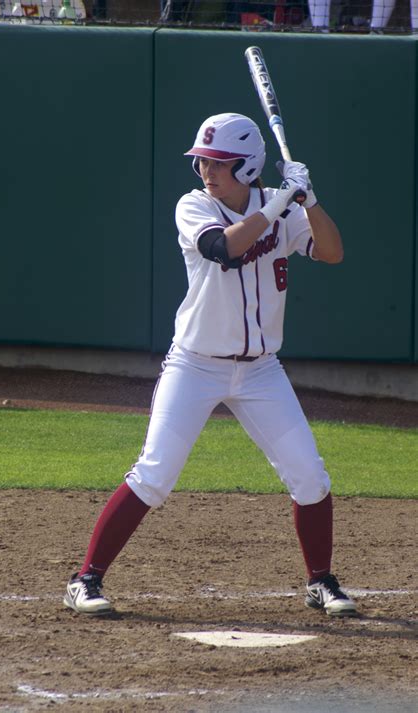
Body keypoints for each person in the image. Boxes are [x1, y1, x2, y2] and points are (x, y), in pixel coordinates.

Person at [63, 112, 358, 619]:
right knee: (154, 475)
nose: (206, 170)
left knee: (311, 476)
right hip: (196, 365)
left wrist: (309, 200)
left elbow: (332, 252)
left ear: (248, 167)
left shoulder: (281, 209)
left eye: (219, 162)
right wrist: (284, 201)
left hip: (262, 370)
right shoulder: (193, 205)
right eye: (203, 160)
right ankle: (84, 578)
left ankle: (320, 581)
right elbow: (225, 248)